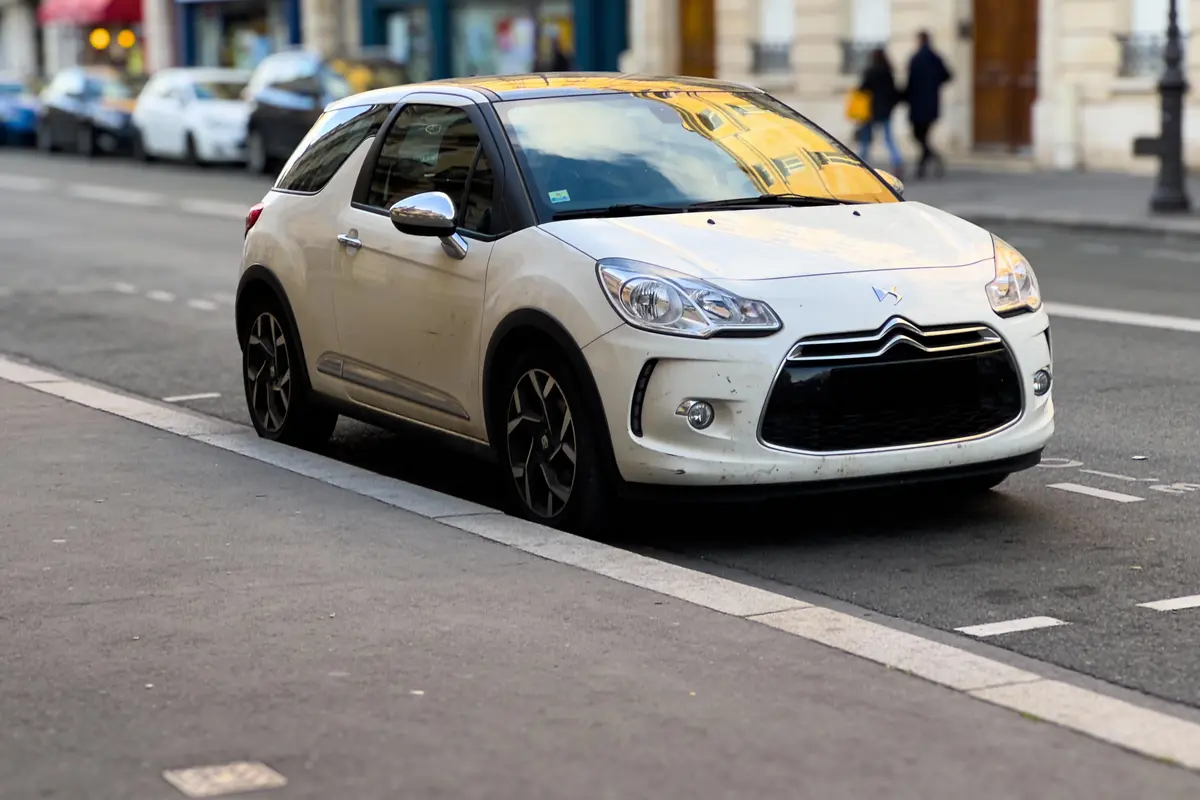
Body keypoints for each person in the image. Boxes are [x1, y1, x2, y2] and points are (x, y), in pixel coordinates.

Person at [904, 30, 953, 179]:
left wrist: (904, 97)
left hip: (917, 103)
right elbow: (948, 75)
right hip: (932, 103)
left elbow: (910, 82)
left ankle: (928, 161)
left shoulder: (916, 58)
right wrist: (934, 84)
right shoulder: (935, 58)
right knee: (923, 136)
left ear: (920, 41)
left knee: (918, 135)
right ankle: (928, 161)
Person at [856, 48, 904, 179]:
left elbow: (862, 89)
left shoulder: (870, 72)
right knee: (889, 139)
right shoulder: (888, 72)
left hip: (870, 111)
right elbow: (893, 92)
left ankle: (859, 165)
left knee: (865, 140)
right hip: (885, 111)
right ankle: (897, 161)